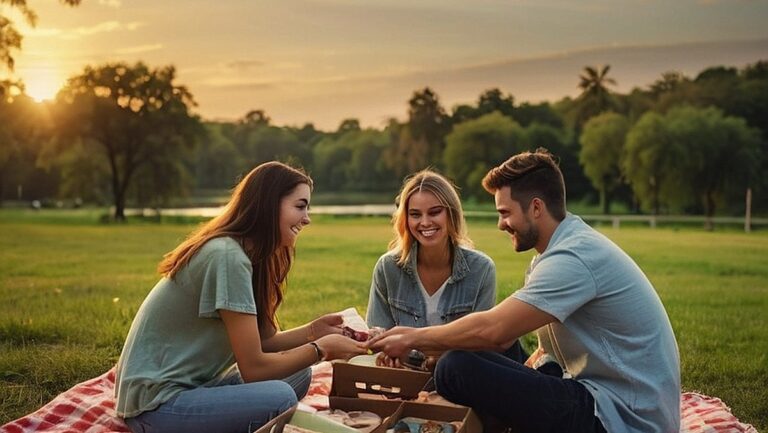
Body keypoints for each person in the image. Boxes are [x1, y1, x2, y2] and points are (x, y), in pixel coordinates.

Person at [369, 149, 681, 433]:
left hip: (623, 416)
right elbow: (510, 343)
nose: (501, 225)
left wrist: (410, 337)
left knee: (456, 368)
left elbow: (494, 330)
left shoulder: (574, 258)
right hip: (598, 394)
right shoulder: (556, 253)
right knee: (475, 356)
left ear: (535, 208)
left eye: (505, 213)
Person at [115, 161, 367, 433]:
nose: (307, 218)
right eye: (300, 206)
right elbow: (254, 368)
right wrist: (322, 349)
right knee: (279, 397)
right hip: (156, 407)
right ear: (269, 204)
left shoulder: (248, 255)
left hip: (195, 387)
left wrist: (313, 331)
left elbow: (263, 341)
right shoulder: (227, 257)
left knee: (298, 373)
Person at [366, 169, 526, 368]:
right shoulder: (387, 268)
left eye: (434, 212)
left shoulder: (481, 270)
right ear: (405, 220)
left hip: (458, 379)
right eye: (415, 214)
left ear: (451, 214)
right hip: (401, 378)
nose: (425, 222)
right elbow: (376, 338)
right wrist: (386, 355)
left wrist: (427, 356)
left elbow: (481, 345)